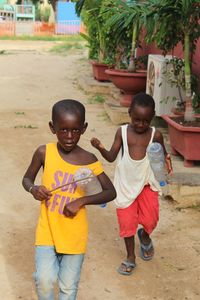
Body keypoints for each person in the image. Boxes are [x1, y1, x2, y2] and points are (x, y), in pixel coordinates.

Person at [22, 99, 116, 299]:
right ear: (52, 127)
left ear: (84, 128)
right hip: (47, 230)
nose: (70, 136)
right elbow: (27, 178)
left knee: (68, 288)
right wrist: (34, 189)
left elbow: (110, 192)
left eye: (75, 130)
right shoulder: (43, 152)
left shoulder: (89, 160)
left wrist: (80, 201)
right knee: (44, 280)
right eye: (63, 130)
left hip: (75, 235)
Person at [91, 93, 172, 276]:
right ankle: (130, 257)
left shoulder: (155, 134)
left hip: (147, 185)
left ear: (152, 118)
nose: (141, 125)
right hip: (125, 186)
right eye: (137, 120)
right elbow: (111, 157)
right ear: (129, 114)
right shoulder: (122, 132)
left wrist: (167, 164)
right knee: (127, 223)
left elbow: (161, 155)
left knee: (151, 220)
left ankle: (144, 236)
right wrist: (100, 148)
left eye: (145, 121)